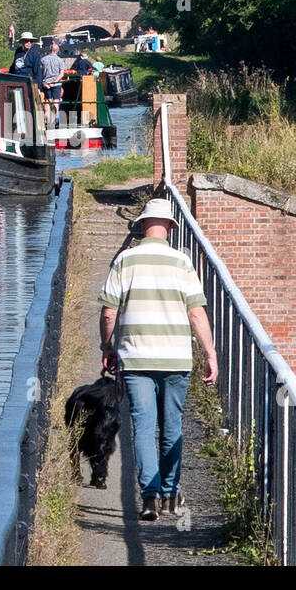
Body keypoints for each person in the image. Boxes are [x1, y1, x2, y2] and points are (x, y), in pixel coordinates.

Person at [99, 198, 217, 522]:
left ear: (141, 225)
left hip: (135, 358)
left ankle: (149, 500)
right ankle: (170, 495)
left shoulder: (125, 260)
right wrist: (210, 353)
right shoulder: (181, 262)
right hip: (176, 358)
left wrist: (107, 346)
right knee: (172, 427)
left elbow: (109, 311)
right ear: (169, 227)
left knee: (143, 426)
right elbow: (196, 312)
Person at [39, 39, 65, 126]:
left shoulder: (43, 60)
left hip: (46, 83)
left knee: (47, 101)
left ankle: (46, 122)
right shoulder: (60, 60)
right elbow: (61, 74)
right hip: (56, 84)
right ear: (57, 50)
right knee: (56, 102)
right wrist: (55, 81)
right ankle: (54, 121)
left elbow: (40, 73)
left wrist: (45, 83)